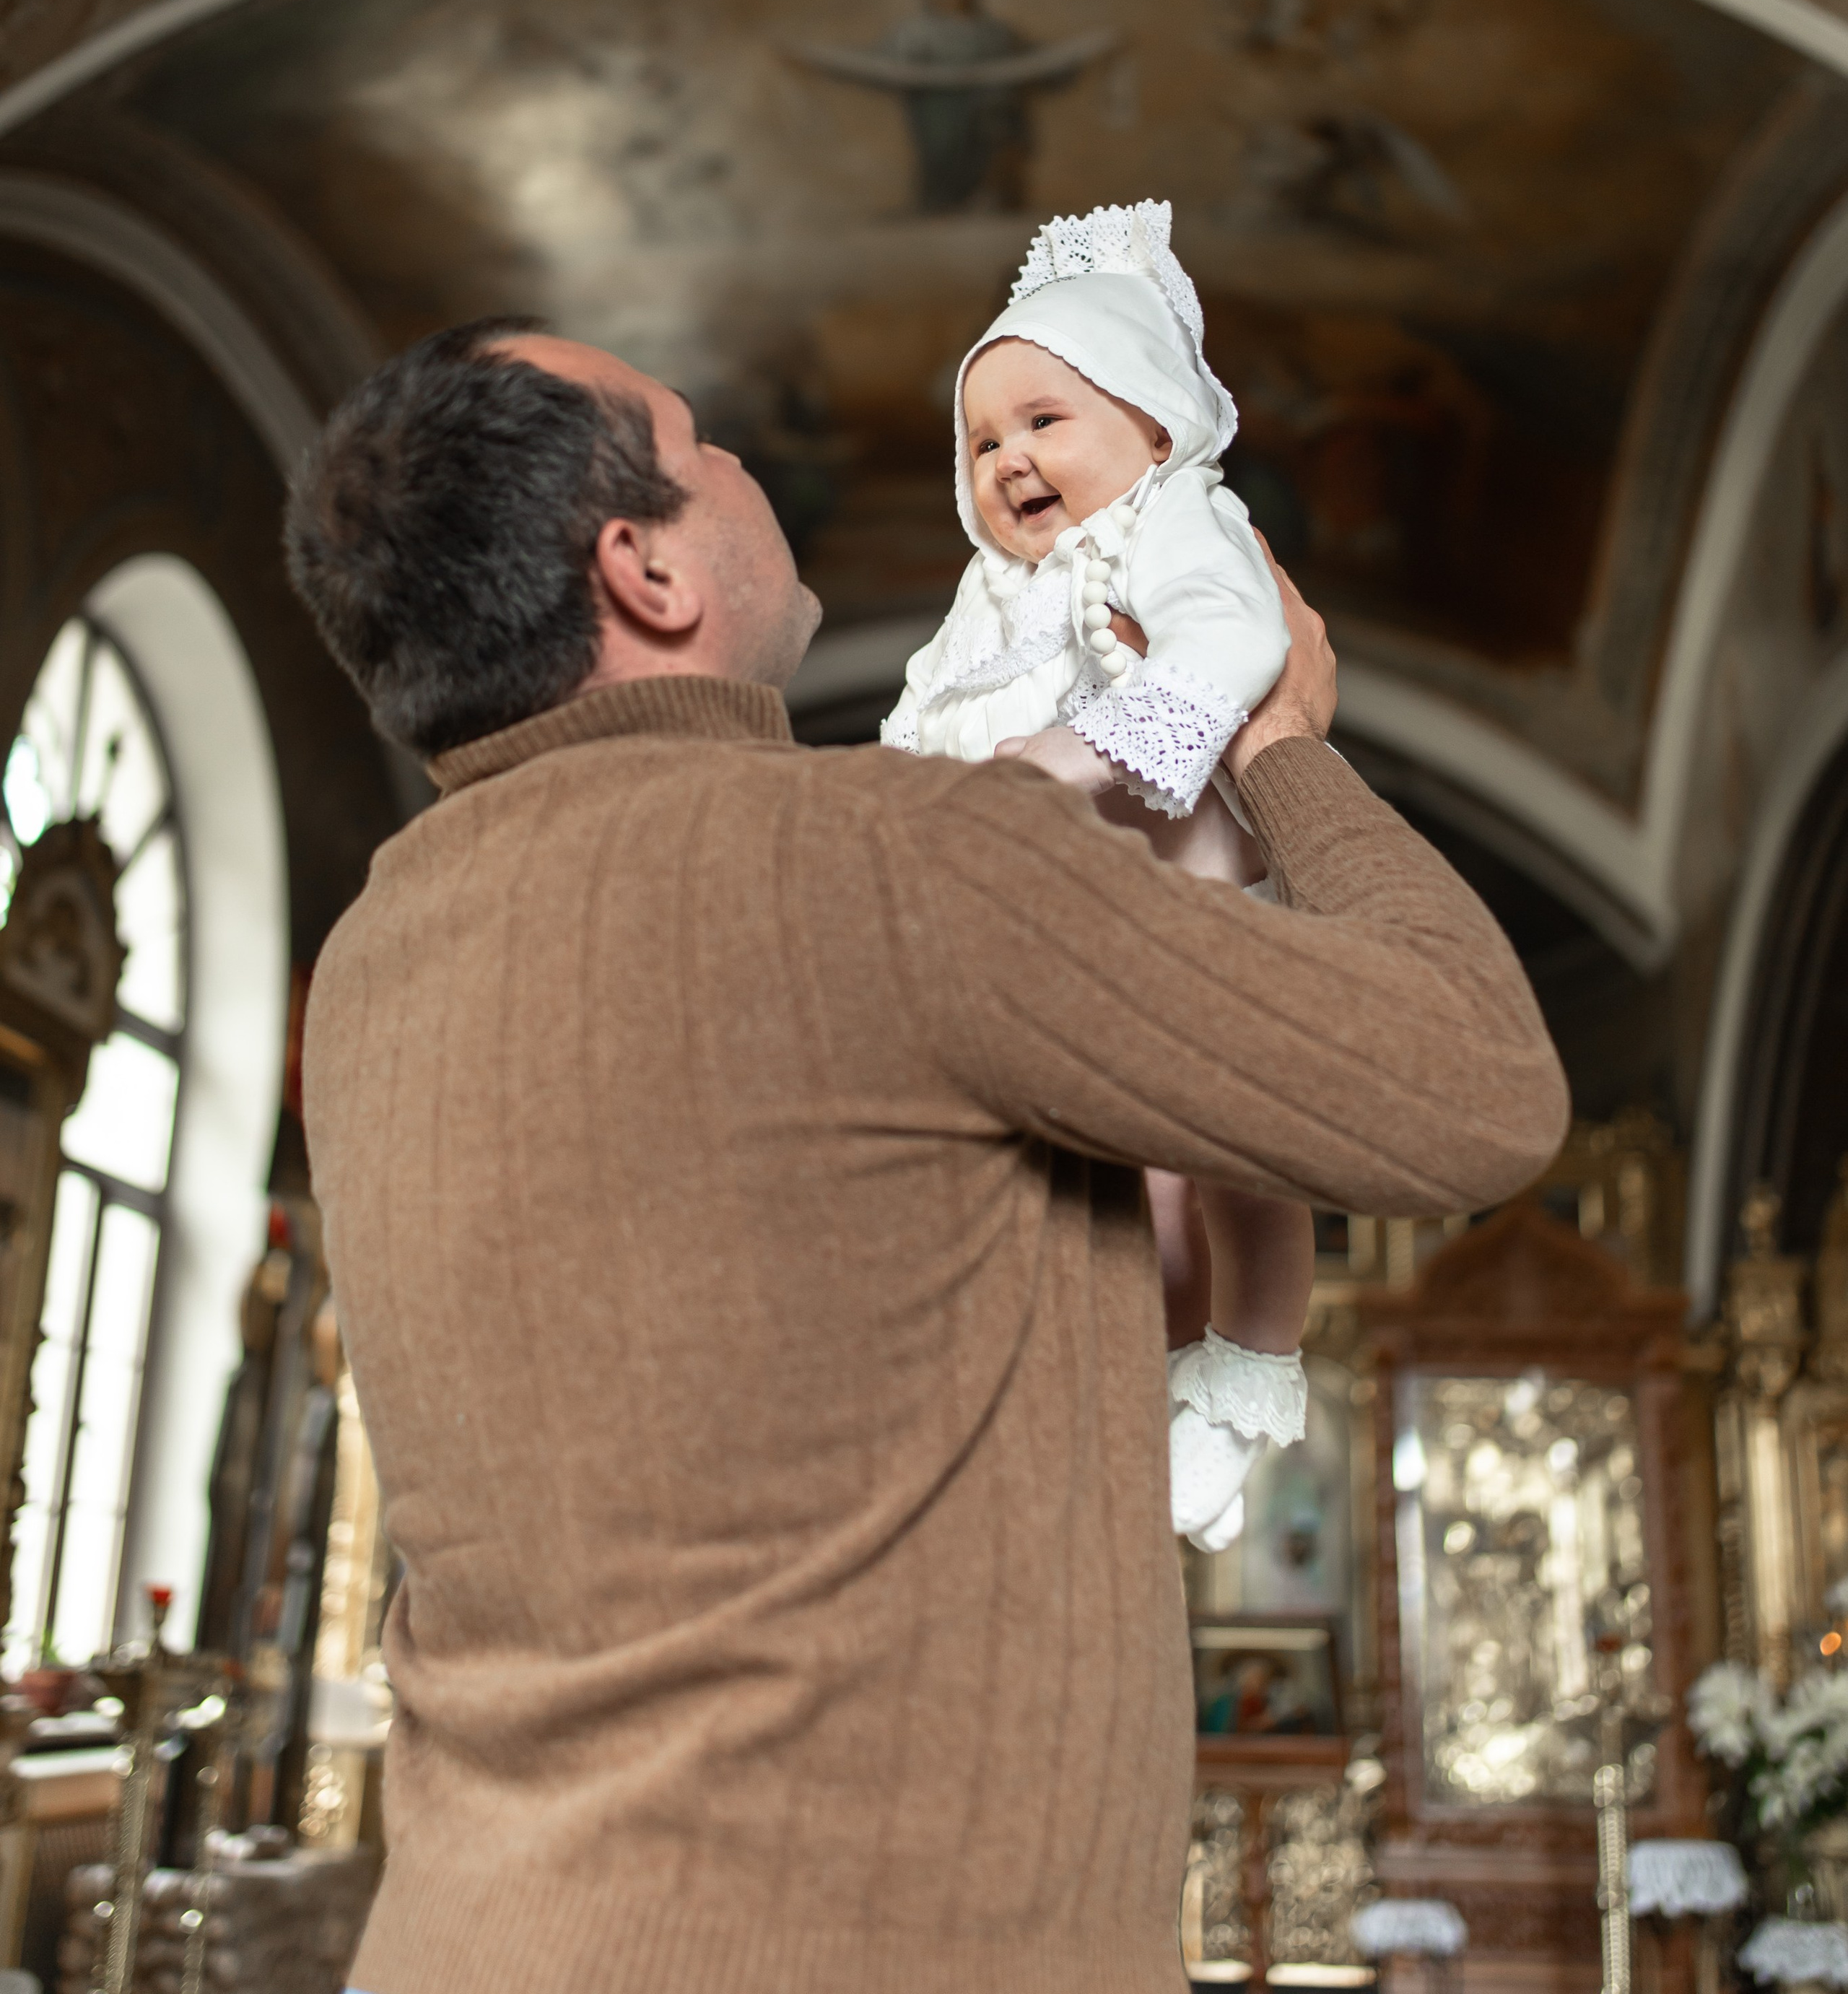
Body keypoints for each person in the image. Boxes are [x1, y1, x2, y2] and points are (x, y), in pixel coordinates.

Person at [285, 314, 1567, 1994]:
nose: (745, 461)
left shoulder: (374, 956)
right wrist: (1281, 753)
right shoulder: (895, 861)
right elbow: (1477, 1083)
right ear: (644, 570)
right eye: (704, 445)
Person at [881, 199, 1315, 1554]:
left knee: (1239, 1153)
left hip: (1195, 914)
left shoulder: (1179, 524)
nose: (1008, 456)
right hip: (1062, 947)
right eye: (982, 439)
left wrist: (1068, 755)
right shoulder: (986, 598)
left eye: (1044, 421)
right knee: (1099, 1190)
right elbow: (916, 718)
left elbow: (1235, 646)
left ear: (1153, 425)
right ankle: (1118, 1393)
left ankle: (1247, 1380)